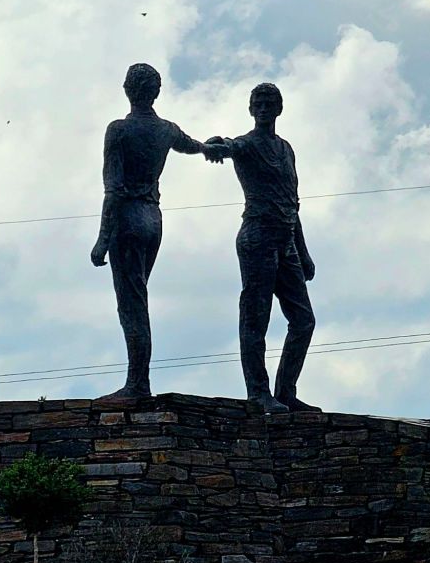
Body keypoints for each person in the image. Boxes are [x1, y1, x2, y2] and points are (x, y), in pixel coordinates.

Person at [91, 63, 223, 399]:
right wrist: (209, 148)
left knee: (132, 305)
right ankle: (138, 380)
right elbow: (191, 145)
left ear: (127, 89)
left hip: (128, 220)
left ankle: (138, 383)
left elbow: (113, 189)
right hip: (153, 220)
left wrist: (102, 240)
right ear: (156, 92)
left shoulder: (119, 130)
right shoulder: (166, 129)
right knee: (138, 298)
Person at [206, 83, 321, 414]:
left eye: (270, 102)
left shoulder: (286, 149)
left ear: (280, 108)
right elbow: (229, 145)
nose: (263, 107)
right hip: (257, 238)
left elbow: (292, 203)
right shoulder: (247, 144)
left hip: (286, 242)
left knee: (304, 320)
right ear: (250, 108)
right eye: (258, 102)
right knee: (256, 318)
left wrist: (303, 251)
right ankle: (258, 392)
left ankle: (285, 392)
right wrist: (215, 144)